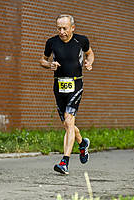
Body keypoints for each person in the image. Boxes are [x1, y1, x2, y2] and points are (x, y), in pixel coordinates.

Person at [39, 14, 94, 174]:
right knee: (67, 124)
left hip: (76, 84)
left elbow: (90, 53)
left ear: (72, 28)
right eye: (59, 28)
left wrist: (89, 62)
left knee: (69, 121)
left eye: (64, 28)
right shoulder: (51, 42)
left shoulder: (81, 40)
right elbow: (42, 60)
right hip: (58, 85)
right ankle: (82, 143)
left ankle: (65, 162)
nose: (61, 31)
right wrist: (49, 64)